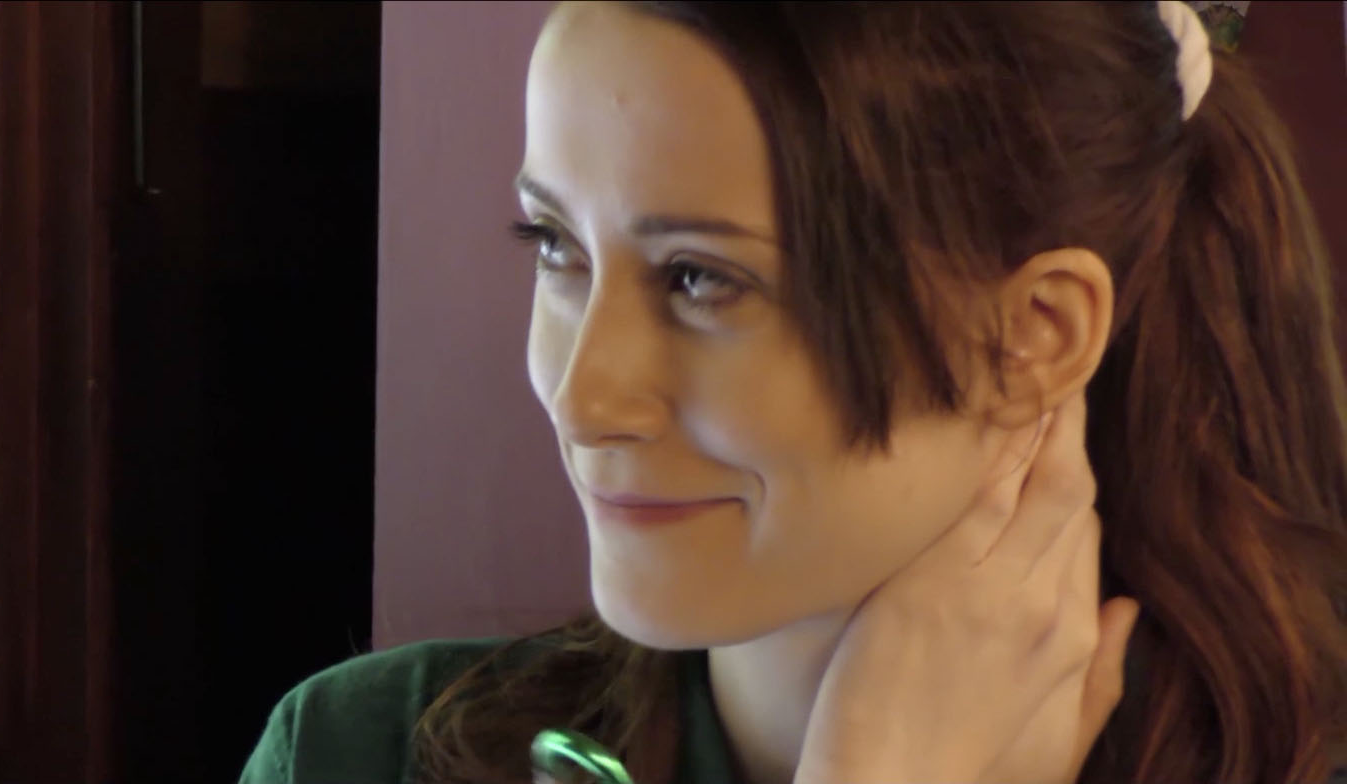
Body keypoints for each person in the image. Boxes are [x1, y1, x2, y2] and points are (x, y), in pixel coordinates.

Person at [240, 2, 1347, 784]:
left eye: (700, 279)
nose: (582, 398)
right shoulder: (360, 753)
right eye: (555, 246)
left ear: (1035, 335)